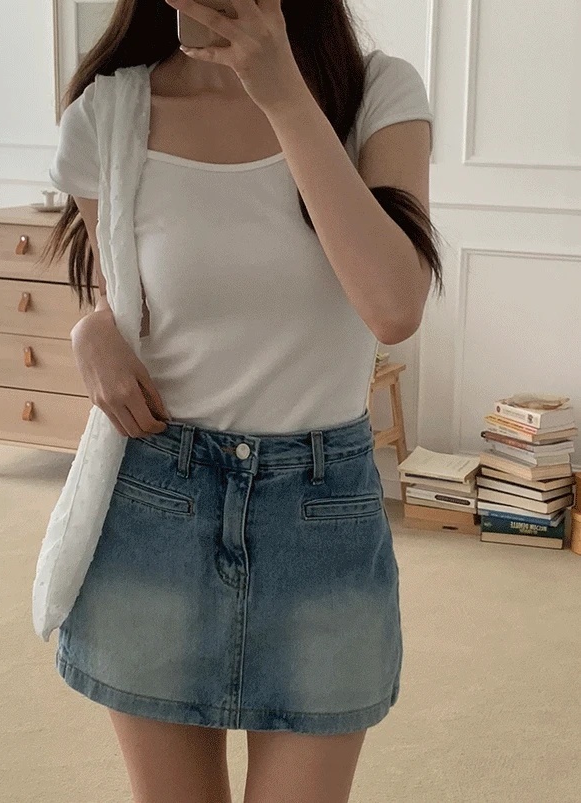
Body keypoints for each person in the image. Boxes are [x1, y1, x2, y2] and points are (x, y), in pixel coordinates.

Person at [42, 0, 443, 801]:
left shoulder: (377, 95)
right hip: (158, 501)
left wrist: (284, 93)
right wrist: (91, 332)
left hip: (320, 514)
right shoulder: (109, 113)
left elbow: (394, 306)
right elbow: (126, 296)